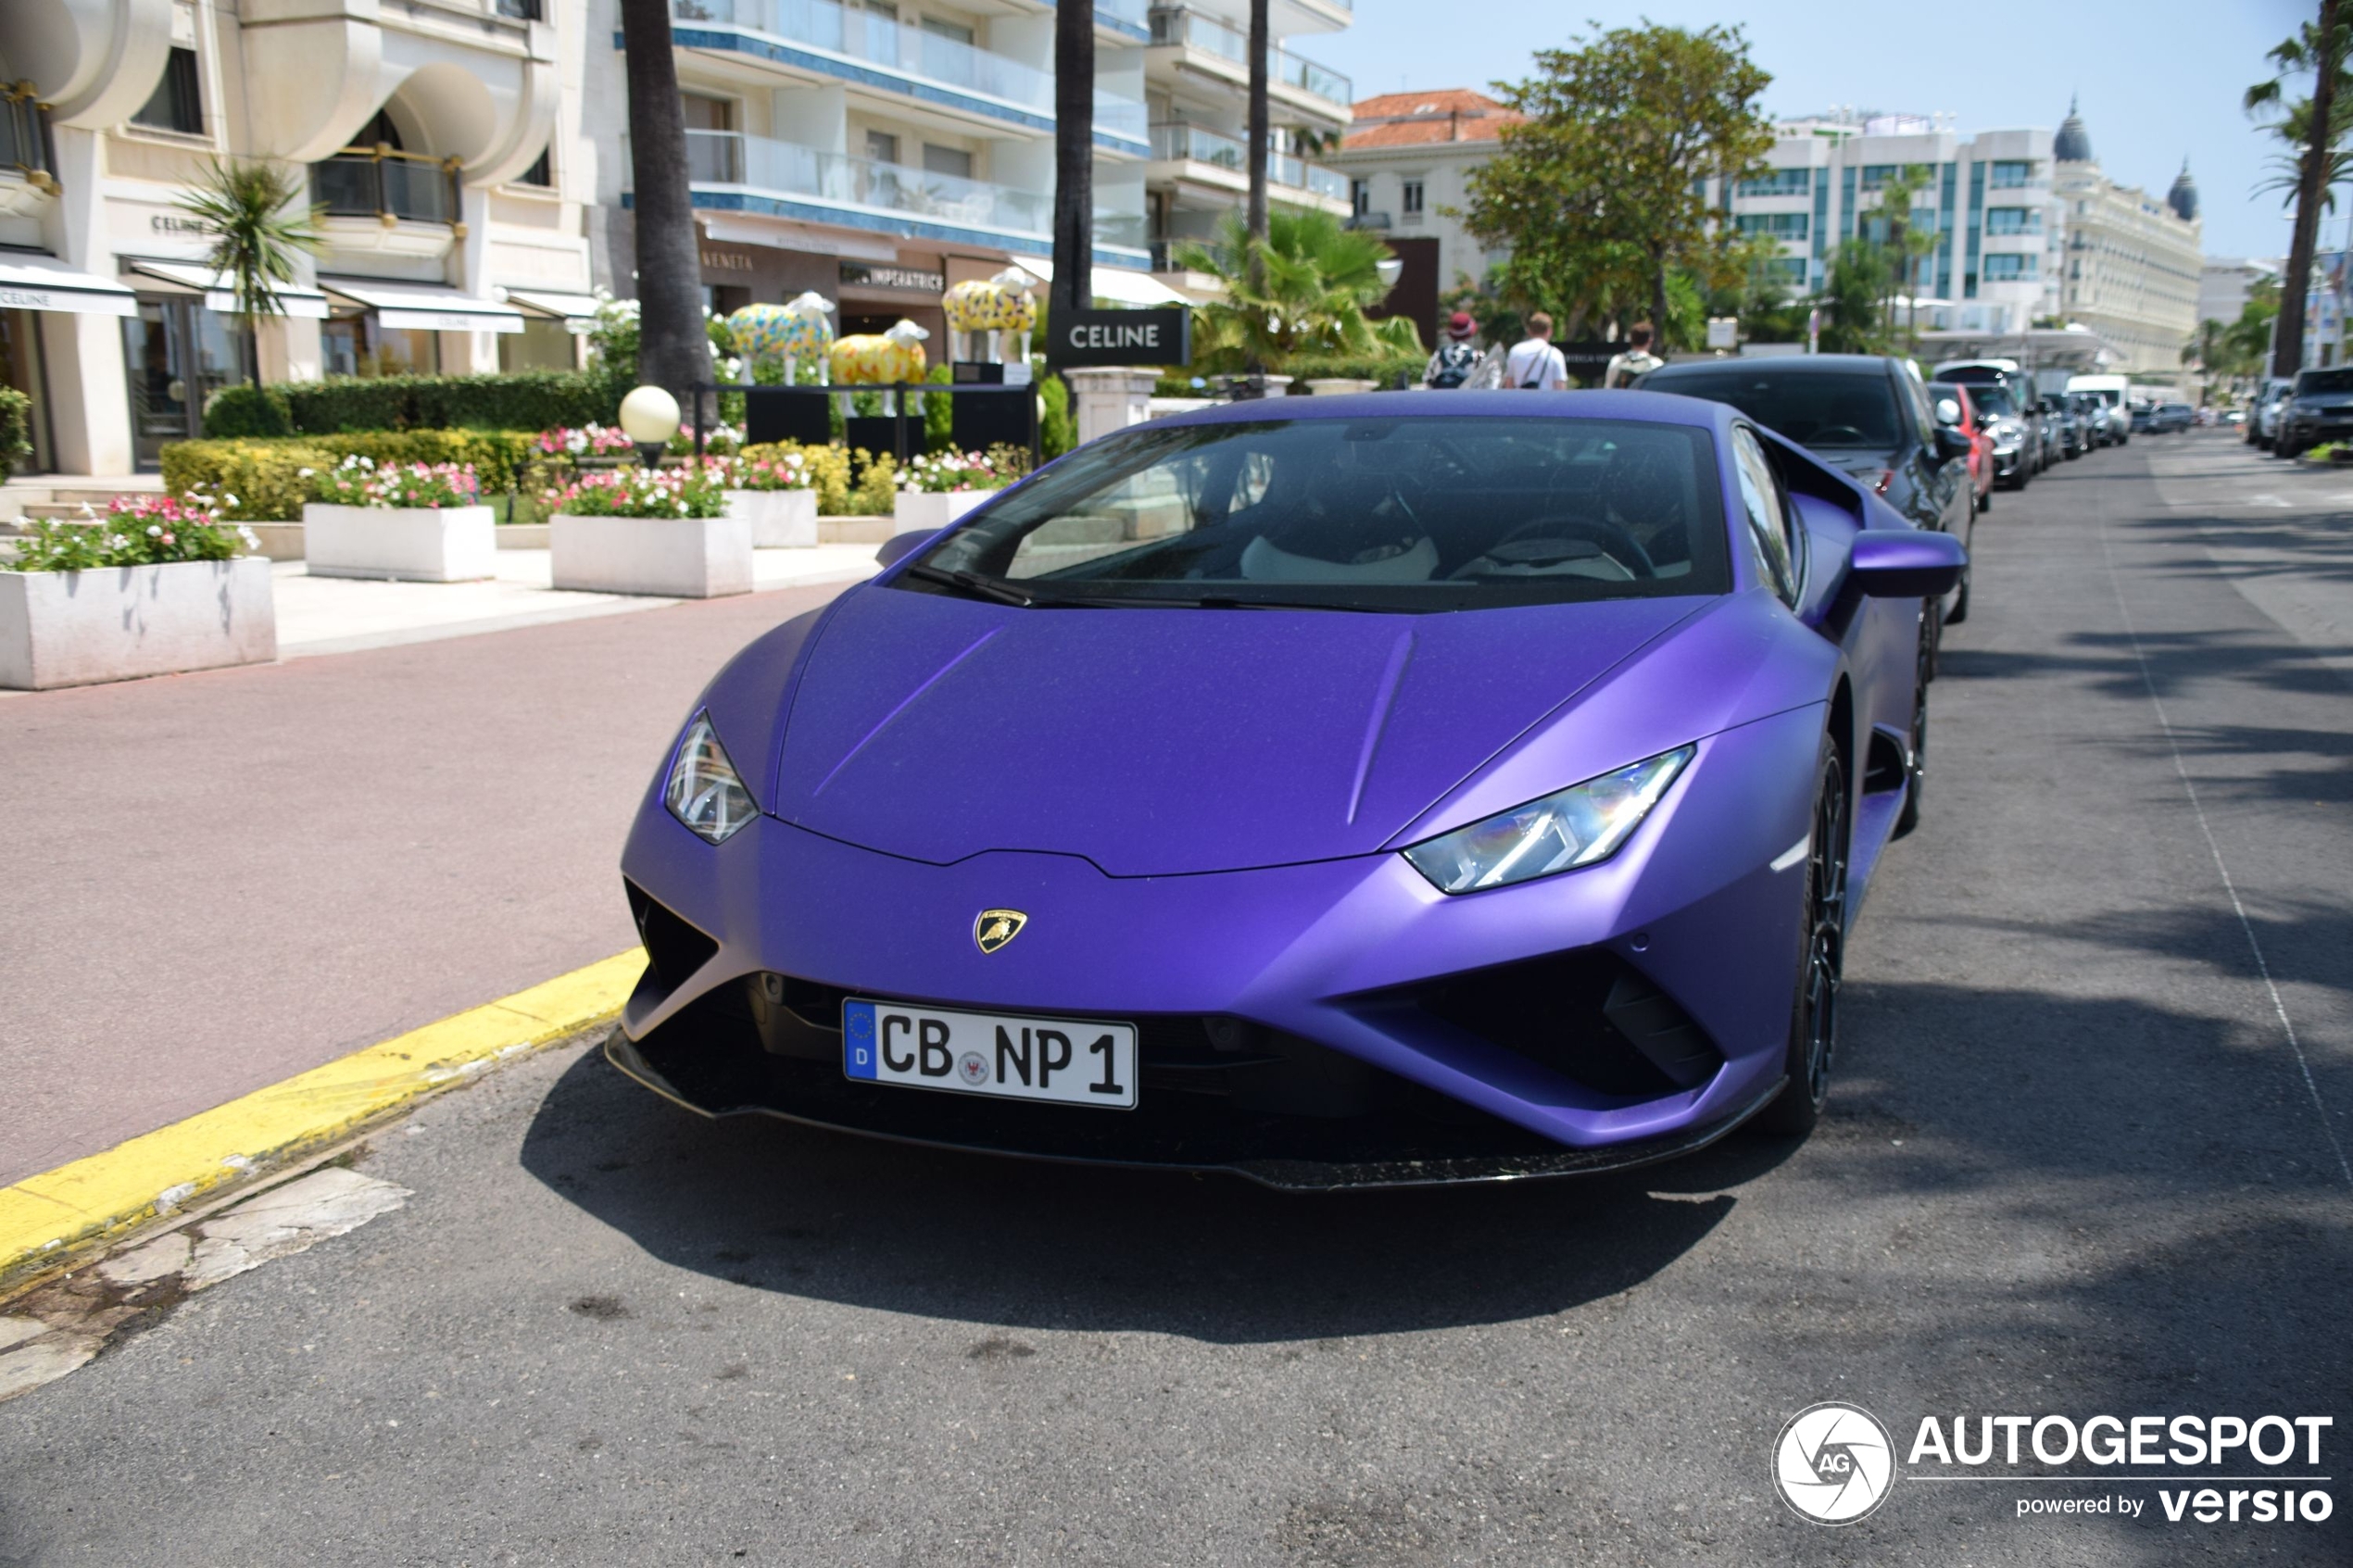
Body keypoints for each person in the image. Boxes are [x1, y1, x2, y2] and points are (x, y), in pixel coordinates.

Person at [1505, 312, 1568, 392]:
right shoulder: (1555, 354)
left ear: (1529, 331)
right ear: (1549, 331)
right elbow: (1560, 387)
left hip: (1520, 401)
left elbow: (1509, 384)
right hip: (1546, 402)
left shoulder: (1515, 351)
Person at [1424, 312, 1482, 389]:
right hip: (1468, 399)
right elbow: (1483, 383)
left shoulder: (1439, 354)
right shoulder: (1477, 356)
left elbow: (1427, 379)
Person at [1604, 322, 1664, 389]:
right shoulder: (1656, 364)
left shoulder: (1617, 361)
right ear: (1650, 340)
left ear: (1631, 339)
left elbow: (1608, 388)